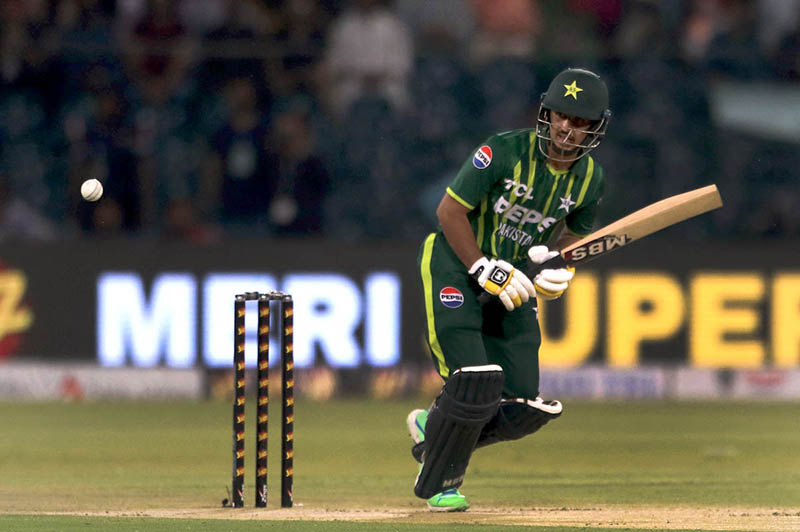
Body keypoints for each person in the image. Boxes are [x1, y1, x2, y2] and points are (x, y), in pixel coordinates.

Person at [407, 67, 611, 512]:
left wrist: (560, 269)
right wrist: (480, 266)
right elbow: (449, 212)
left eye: (579, 122)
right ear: (547, 112)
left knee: (524, 406)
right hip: (455, 267)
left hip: (515, 283)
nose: (565, 128)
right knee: (475, 382)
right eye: (561, 115)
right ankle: (441, 480)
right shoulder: (501, 151)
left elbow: (573, 236)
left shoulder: (590, 179)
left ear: (595, 128)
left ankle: (433, 428)